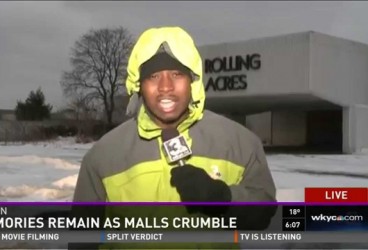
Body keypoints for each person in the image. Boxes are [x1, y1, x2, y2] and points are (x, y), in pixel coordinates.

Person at [73, 26, 277, 230]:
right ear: (138, 86)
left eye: (177, 74)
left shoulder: (239, 142)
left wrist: (224, 199)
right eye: (153, 77)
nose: (165, 87)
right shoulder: (103, 155)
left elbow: (263, 214)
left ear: (192, 81)